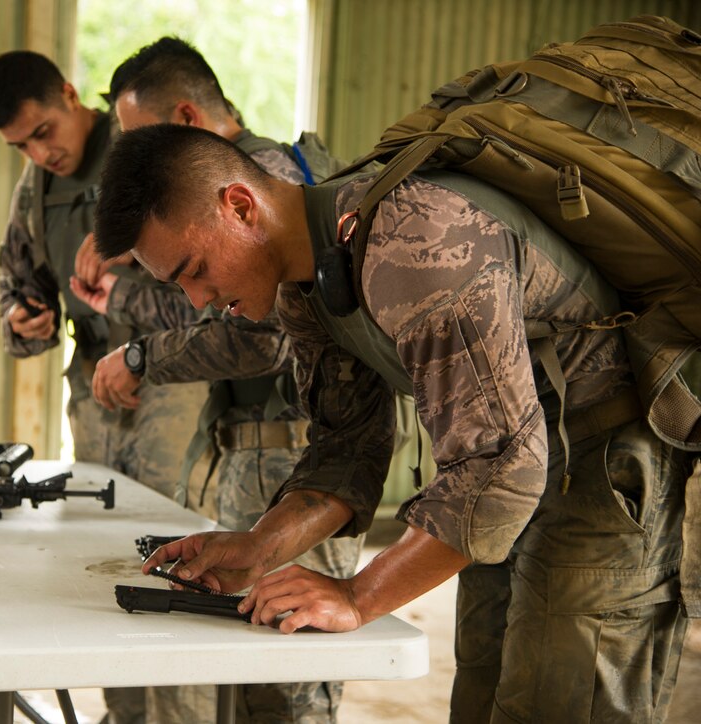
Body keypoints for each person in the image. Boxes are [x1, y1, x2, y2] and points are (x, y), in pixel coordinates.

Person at [93, 123, 691, 723]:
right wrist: (258, 548)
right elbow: (346, 446)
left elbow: (503, 465)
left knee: (562, 703)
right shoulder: (307, 287)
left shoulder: (416, 241)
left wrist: (357, 595)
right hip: (509, 477)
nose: (197, 301)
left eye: (194, 269)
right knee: (485, 695)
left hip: (598, 467)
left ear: (241, 206)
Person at [70, 37, 372, 724]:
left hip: (288, 447)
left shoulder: (271, 196)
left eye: (142, 142)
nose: (200, 296)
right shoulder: (269, 205)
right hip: (259, 451)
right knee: (249, 667)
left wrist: (140, 347)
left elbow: (256, 339)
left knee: (292, 677)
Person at [0, 50, 205, 724]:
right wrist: (20, 317)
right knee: (106, 560)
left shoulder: (145, 146)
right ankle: (126, 714)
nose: (39, 152)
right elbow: (12, 278)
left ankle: (181, 715)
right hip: (94, 392)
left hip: (173, 380)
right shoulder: (36, 187)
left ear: (71, 96)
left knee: (181, 554)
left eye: (43, 132)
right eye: (21, 145)